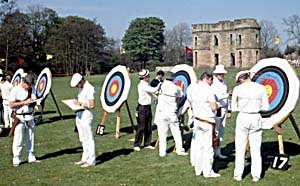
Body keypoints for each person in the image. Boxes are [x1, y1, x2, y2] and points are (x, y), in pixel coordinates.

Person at [231, 70, 269, 182]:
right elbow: (266, 107)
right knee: (256, 148)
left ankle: (238, 175)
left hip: (243, 117)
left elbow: (233, 108)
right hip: (256, 117)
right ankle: (256, 175)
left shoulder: (237, 89)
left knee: (240, 147)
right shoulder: (261, 88)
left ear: (241, 79)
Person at [186, 72, 220, 178]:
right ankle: (208, 172)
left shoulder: (193, 88)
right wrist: (218, 105)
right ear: (207, 78)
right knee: (208, 147)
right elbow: (214, 107)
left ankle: (198, 169)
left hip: (197, 120)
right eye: (211, 81)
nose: (212, 83)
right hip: (207, 121)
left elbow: (190, 103)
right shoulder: (208, 89)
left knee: (199, 146)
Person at [9, 74, 40, 167]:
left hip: (29, 116)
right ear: (24, 82)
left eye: (31, 85)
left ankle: (31, 156)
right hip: (19, 117)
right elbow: (11, 104)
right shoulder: (16, 89)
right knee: (18, 138)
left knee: (30, 137)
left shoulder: (32, 88)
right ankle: (16, 159)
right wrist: (24, 102)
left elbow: (34, 99)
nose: (30, 86)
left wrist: (34, 102)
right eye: (29, 84)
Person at [154, 72, 187, 157]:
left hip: (161, 113)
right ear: (173, 79)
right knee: (176, 133)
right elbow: (182, 95)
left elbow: (155, 93)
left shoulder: (161, 85)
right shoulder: (176, 88)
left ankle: (162, 153)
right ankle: (179, 150)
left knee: (162, 135)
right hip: (172, 114)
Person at [70, 73, 96, 167]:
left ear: (81, 81)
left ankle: (91, 160)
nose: (77, 86)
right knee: (82, 137)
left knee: (88, 138)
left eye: (77, 84)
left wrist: (80, 103)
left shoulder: (89, 88)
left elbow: (92, 105)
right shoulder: (82, 88)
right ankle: (84, 158)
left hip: (86, 114)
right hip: (79, 113)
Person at [133, 69, 161, 151]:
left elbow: (150, 93)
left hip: (147, 107)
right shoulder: (142, 85)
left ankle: (147, 143)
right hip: (142, 108)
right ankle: (137, 144)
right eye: (148, 76)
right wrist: (160, 84)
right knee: (141, 126)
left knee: (148, 126)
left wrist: (158, 98)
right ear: (144, 77)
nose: (149, 77)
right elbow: (153, 90)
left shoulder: (146, 84)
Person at [211, 64, 230, 159]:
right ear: (216, 74)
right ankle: (214, 150)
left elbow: (226, 99)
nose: (222, 75)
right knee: (216, 130)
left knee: (221, 130)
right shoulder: (214, 83)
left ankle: (218, 151)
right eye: (220, 74)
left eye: (222, 74)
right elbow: (217, 97)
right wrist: (227, 95)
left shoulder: (224, 82)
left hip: (224, 108)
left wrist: (229, 109)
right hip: (218, 108)